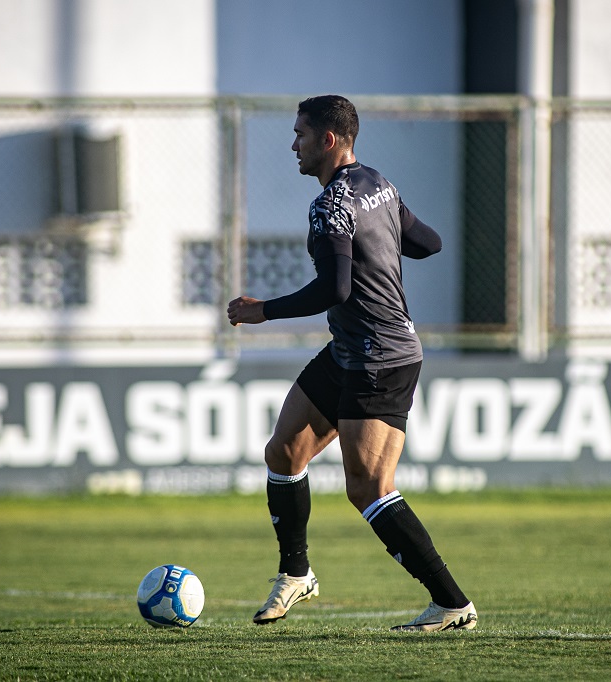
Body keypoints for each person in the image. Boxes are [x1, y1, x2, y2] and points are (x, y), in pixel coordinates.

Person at [227, 95, 476, 632]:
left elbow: (336, 288)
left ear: (328, 140)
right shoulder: (377, 185)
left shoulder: (330, 205)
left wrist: (261, 311)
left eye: (299, 134)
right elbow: (428, 244)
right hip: (349, 350)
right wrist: (379, 241)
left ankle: (452, 604)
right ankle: (296, 574)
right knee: (284, 452)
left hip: (379, 355)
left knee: (368, 487)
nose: (293, 144)